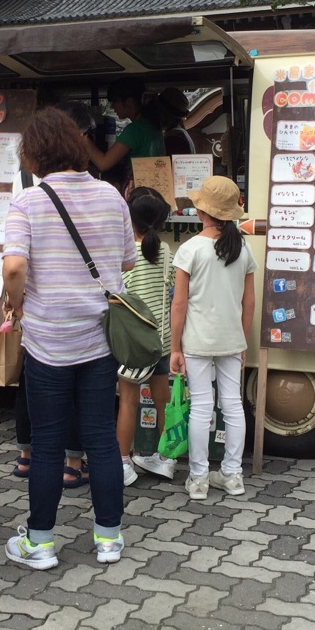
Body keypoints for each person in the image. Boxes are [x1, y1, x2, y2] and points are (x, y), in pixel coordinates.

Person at [2, 107, 136, 569]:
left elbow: (15, 266)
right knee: (100, 437)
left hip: (47, 342)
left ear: (33, 155)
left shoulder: (27, 202)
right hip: (98, 339)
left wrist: (16, 302)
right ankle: (108, 539)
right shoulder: (112, 197)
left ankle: (39, 543)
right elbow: (127, 264)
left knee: (48, 440)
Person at [169, 176, 257, 501]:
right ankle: (233, 476)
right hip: (231, 340)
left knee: (201, 408)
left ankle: (199, 479)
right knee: (232, 405)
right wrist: (243, 340)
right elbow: (249, 302)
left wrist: (174, 347)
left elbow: (179, 304)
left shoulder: (190, 249)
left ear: (201, 210)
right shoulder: (243, 248)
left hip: (197, 340)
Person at [117, 188, 176, 485]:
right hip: (161, 341)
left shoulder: (126, 255)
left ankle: (123, 463)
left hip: (134, 343)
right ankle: (165, 459)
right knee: (162, 400)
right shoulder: (165, 251)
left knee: (128, 402)